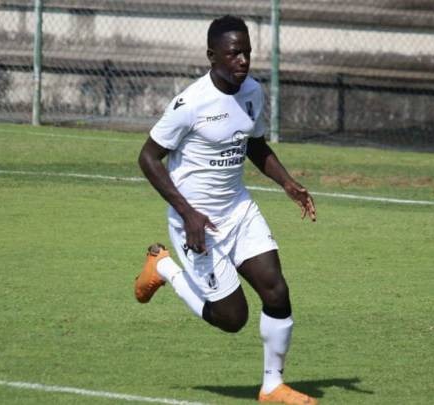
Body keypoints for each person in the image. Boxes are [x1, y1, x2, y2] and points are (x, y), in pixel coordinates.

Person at [134, 15, 318, 405]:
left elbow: (255, 144)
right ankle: (163, 268)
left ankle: (272, 386)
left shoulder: (252, 91)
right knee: (233, 319)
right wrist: (187, 213)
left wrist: (287, 183)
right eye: (234, 53)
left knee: (276, 290)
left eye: (247, 52)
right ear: (212, 56)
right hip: (196, 222)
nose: (243, 61)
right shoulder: (190, 104)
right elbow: (148, 158)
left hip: (238, 209)